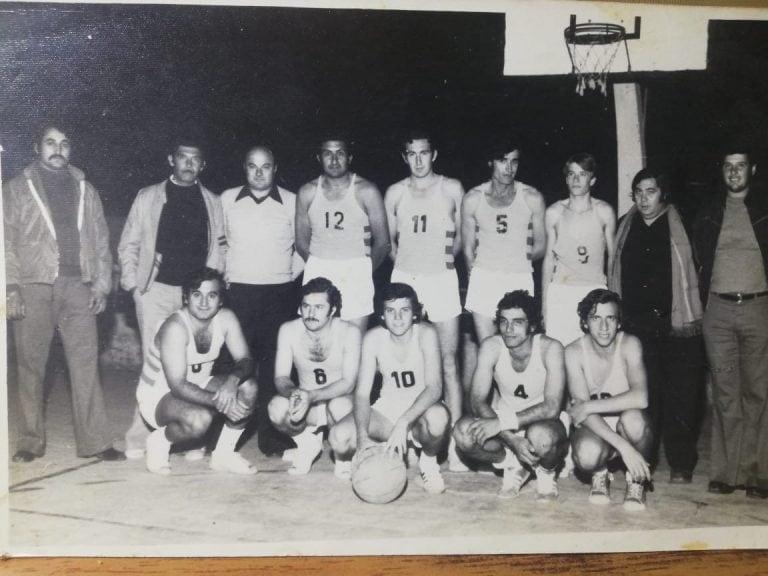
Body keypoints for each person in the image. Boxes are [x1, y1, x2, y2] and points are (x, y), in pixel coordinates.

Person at [4, 122, 124, 463]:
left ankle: (96, 442)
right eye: (50, 143)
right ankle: (29, 441)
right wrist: (11, 286)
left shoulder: (87, 188)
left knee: (86, 364)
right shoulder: (16, 188)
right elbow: (6, 242)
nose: (58, 149)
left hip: (78, 286)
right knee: (31, 365)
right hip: (34, 285)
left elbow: (102, 241)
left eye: (65, 144)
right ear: (36, 147)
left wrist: (101, 283)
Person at [118, 135, 226, 458]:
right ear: (171, 160)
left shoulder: (212, 200)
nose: (189, 164)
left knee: (195, 367)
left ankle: (192, 437)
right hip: (156, 291)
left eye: (195, 159)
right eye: (183, 157)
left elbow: (219, 250)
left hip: (196, 298)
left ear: (202, 164)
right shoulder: (148, 196)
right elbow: (129, 244)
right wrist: (134, 287)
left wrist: (212, 292)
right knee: (154, 367)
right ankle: (138, 436)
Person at [609, 168, 705, 483]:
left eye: (650, 191)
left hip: (677, 326)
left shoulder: (682, 223)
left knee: (682, 397)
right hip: (638, 327)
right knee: (646, 395)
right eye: (638, 192)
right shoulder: (626, 225)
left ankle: (681, 464)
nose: (644, 198)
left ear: (662, 193)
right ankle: (644, 461)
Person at [384, 130, 466, 471]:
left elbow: (461, 238)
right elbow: (391, 244)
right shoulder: (394, 193)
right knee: (409, 359)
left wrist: (440, 265)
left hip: (442, 278)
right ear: (405, 157)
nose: (418, 160)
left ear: (434, 154)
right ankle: (415, 433)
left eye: (424, 153)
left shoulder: (452, 188)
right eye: (411, 154)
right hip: (406, 278)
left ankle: (459, 446)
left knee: (448, 360)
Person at [692, 146, 768, 499]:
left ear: (752, 169)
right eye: (728, 166)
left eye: (740, 166)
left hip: (758, 308)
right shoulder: (709, 212)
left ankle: (757, 474)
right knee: (725, 393)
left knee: (758, 392)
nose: (734, 172)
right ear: (721, 171)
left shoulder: (764, 210)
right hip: (719, 311)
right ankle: (724, 472)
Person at [220, 144, 302, 456]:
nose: (258, 172)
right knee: (236, 364)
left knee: (272, 367)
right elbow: (221, 243)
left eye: (265, 166)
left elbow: (303, 247)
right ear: (244, 167)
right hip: (238, 291)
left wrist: (286, 275)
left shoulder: (292, 201)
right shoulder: (227, 199)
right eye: (252, 166)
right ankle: (226, 438)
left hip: (278, 293)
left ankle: (271, 440)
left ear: (274, 168)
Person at [329, 283, 450, 494]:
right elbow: (362, 393)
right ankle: (359, 458)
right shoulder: (373, 339)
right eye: (390, 311)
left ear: (414, 314)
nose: (398, 318)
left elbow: (434, 388)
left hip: (420, 410)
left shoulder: (426, 333)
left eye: (404, 310)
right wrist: (362, 436)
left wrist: (404, 422)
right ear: (382, 315)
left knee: (438, 418)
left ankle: (428, 463)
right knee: (338, 438)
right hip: (387, 410)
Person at [136, 268, 257, 475]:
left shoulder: (226, 318)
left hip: (197, 385)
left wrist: (232, 382)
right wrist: (222, 403)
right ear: (186, 297)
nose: (203, 302)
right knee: (199, 420)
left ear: (220, 300)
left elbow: (246, 360)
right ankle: (159, 441)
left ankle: (224, 455)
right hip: (158, 397)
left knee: (248, 387)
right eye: (196, 295)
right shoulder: (175, 327)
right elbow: (178, 386)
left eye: (211, 295)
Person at [453, 291, 567, 500]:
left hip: (542, 423)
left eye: (517, 322)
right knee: (463, 432)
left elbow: (552, 407)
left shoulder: (551, 348)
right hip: (504, 426)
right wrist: (512, 439)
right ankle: (512, 464)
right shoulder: (491, 346)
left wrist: (502, 423)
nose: (509, 329)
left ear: (532, 326)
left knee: (542, 436)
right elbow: (477, 400)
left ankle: (546, 471)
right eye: (504, 322)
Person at [565, 289, 652, 511]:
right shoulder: (573, 352)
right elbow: (582, 417)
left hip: (625, 422)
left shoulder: (630, 344)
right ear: (585, 323)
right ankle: (600, 473)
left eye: (610, 318)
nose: (604, 327)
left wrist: (587, 406)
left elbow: (641, 398)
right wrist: (624, 448)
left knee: (635, 420)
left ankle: (636, 481)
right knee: (586, 455)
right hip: (596, 428)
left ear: (619, 322)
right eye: (596, 318)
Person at [295, 134, 391, 332]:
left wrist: (361, 271)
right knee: (318, 339)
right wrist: (319, 266)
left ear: (350, 157)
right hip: (319, 269)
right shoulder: (307, 192)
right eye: (327, 154)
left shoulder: (367, 190)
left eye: (340, 153)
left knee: (354, 340)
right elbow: (301, 243)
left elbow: (383, 243)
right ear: (319, 158)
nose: (334, 159)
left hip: (355, 270)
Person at [269, 277, 361, 477]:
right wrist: (295, 393)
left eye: (319, 307)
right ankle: (307, 443)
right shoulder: (288, 330)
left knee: (339, 405)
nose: (310, 313)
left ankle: (343, 456)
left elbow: (348, 383)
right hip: (308, 406)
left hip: (340, 404)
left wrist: (311, 395)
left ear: (333, 310)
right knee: (277, 407)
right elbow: (281, 377)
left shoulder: (349, 332)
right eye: (306, 306)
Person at [462, 137, 546, 345]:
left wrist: (516, 260)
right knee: (488, 348)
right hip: (484, 279)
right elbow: (467, 248)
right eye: (503, 161)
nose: (509, 168)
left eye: (514, 161)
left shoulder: (531, 197)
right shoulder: (473, 198)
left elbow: (541, 246)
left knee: (518, 348)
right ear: (491, 162)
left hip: (519, 277)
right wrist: (479, 275)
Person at [543, 153, 616, 347]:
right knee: (559, 352)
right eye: (571, 174)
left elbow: (613, 259)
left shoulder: (604, 211)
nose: (576, 179)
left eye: (582, 174)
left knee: (591, 353)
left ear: (592, 180)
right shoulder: (554, 212)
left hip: (594, 289)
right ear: (566, 178)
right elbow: (549, 259)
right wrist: (544, 305)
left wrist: (613, 297)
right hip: (561, 290)